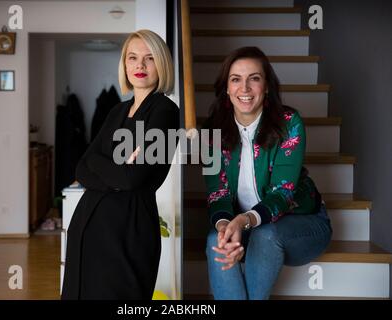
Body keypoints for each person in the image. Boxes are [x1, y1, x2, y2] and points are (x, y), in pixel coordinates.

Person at [202, 46, 332, 300]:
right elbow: (217, 193)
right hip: (248, 227)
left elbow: (282, 194)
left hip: (302, 225)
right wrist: (227, 226)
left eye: (255, 78)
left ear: (267, 87)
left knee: (265, 234)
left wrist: (243, 221)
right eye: (236, 79)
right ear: (226, 88)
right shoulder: (211, 132)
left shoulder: (289, 123)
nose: (245, 88)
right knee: (215, 241)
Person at [61, 30, 179, 300]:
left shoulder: (165, 111)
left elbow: (131, 179)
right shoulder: (116, 110)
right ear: (124, 64)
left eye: (149, 58)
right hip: (87, 229)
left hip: (127, 232)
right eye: (133, 57)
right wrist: (115, 168)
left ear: (161, 63)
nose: (140, 65)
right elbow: (81, 166)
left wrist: (103, 165)